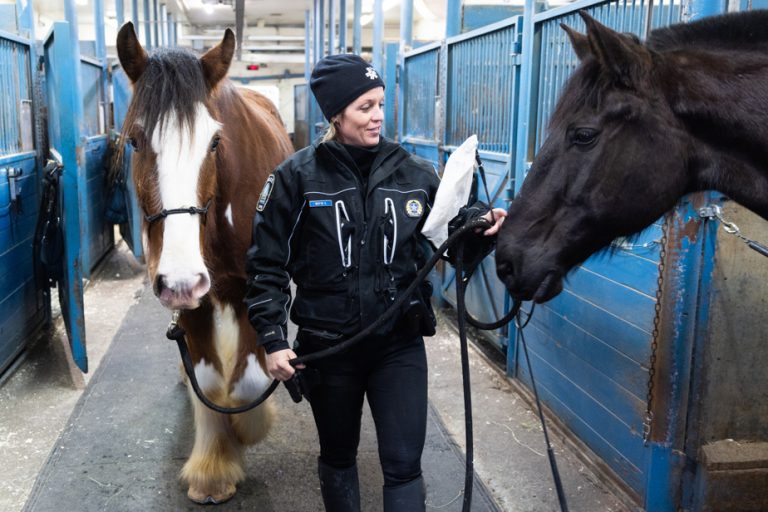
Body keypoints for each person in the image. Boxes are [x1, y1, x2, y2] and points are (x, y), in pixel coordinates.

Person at [244, 54, 506, 512]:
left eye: (381, 103)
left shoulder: (417, 175)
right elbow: (266, 266)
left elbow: (447, 246)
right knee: (339, 456)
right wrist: (271, 338)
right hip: (328, 348)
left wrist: (477, 228)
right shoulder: (295, 178)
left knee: (404, 464)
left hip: (398, 345)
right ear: (336, 114)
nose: (378, 115)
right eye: (365, 106)